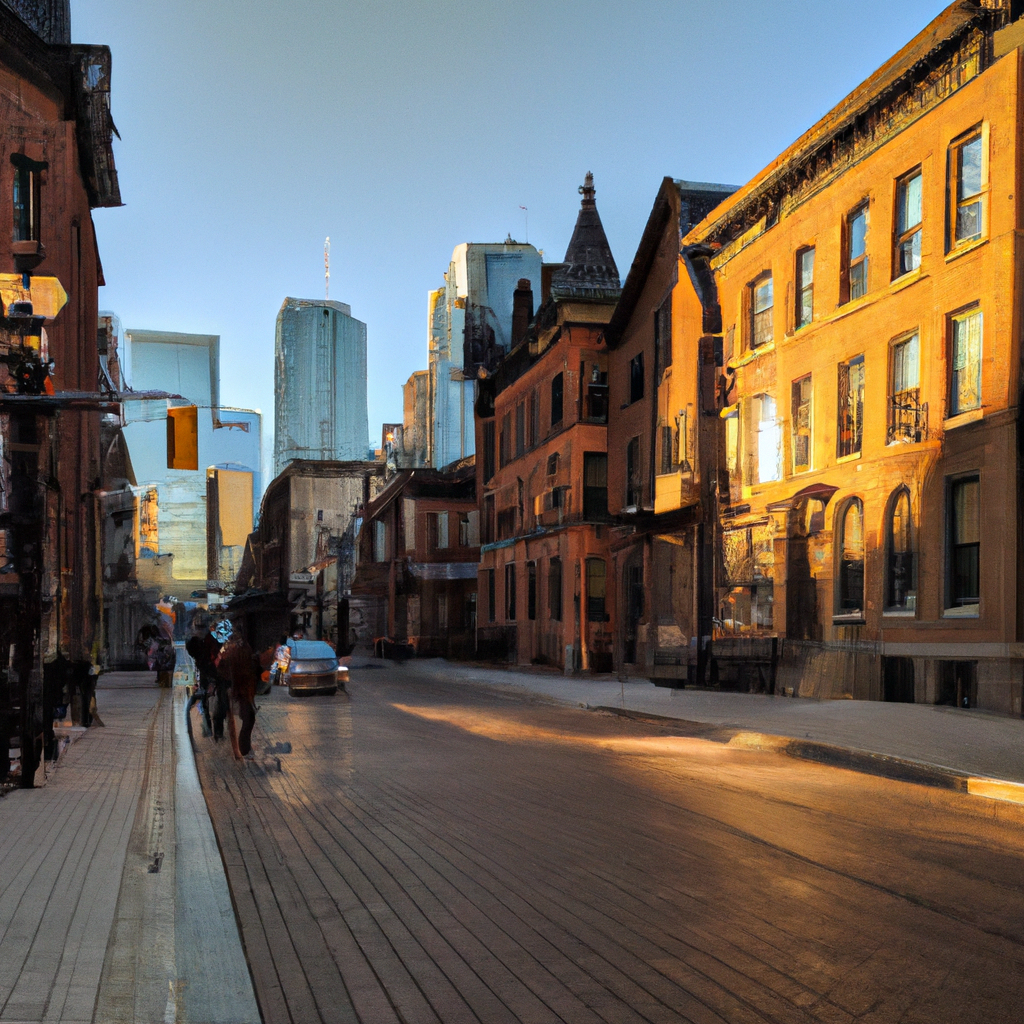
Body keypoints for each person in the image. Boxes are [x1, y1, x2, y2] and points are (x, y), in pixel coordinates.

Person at [215, 625, 259, 759]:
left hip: (241, 688)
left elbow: (223, 667)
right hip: (241, 689)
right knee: (248, 718)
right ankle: (244, 750)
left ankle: (243, 749)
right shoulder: (240, 649)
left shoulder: (235, 649)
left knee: (246, 717)